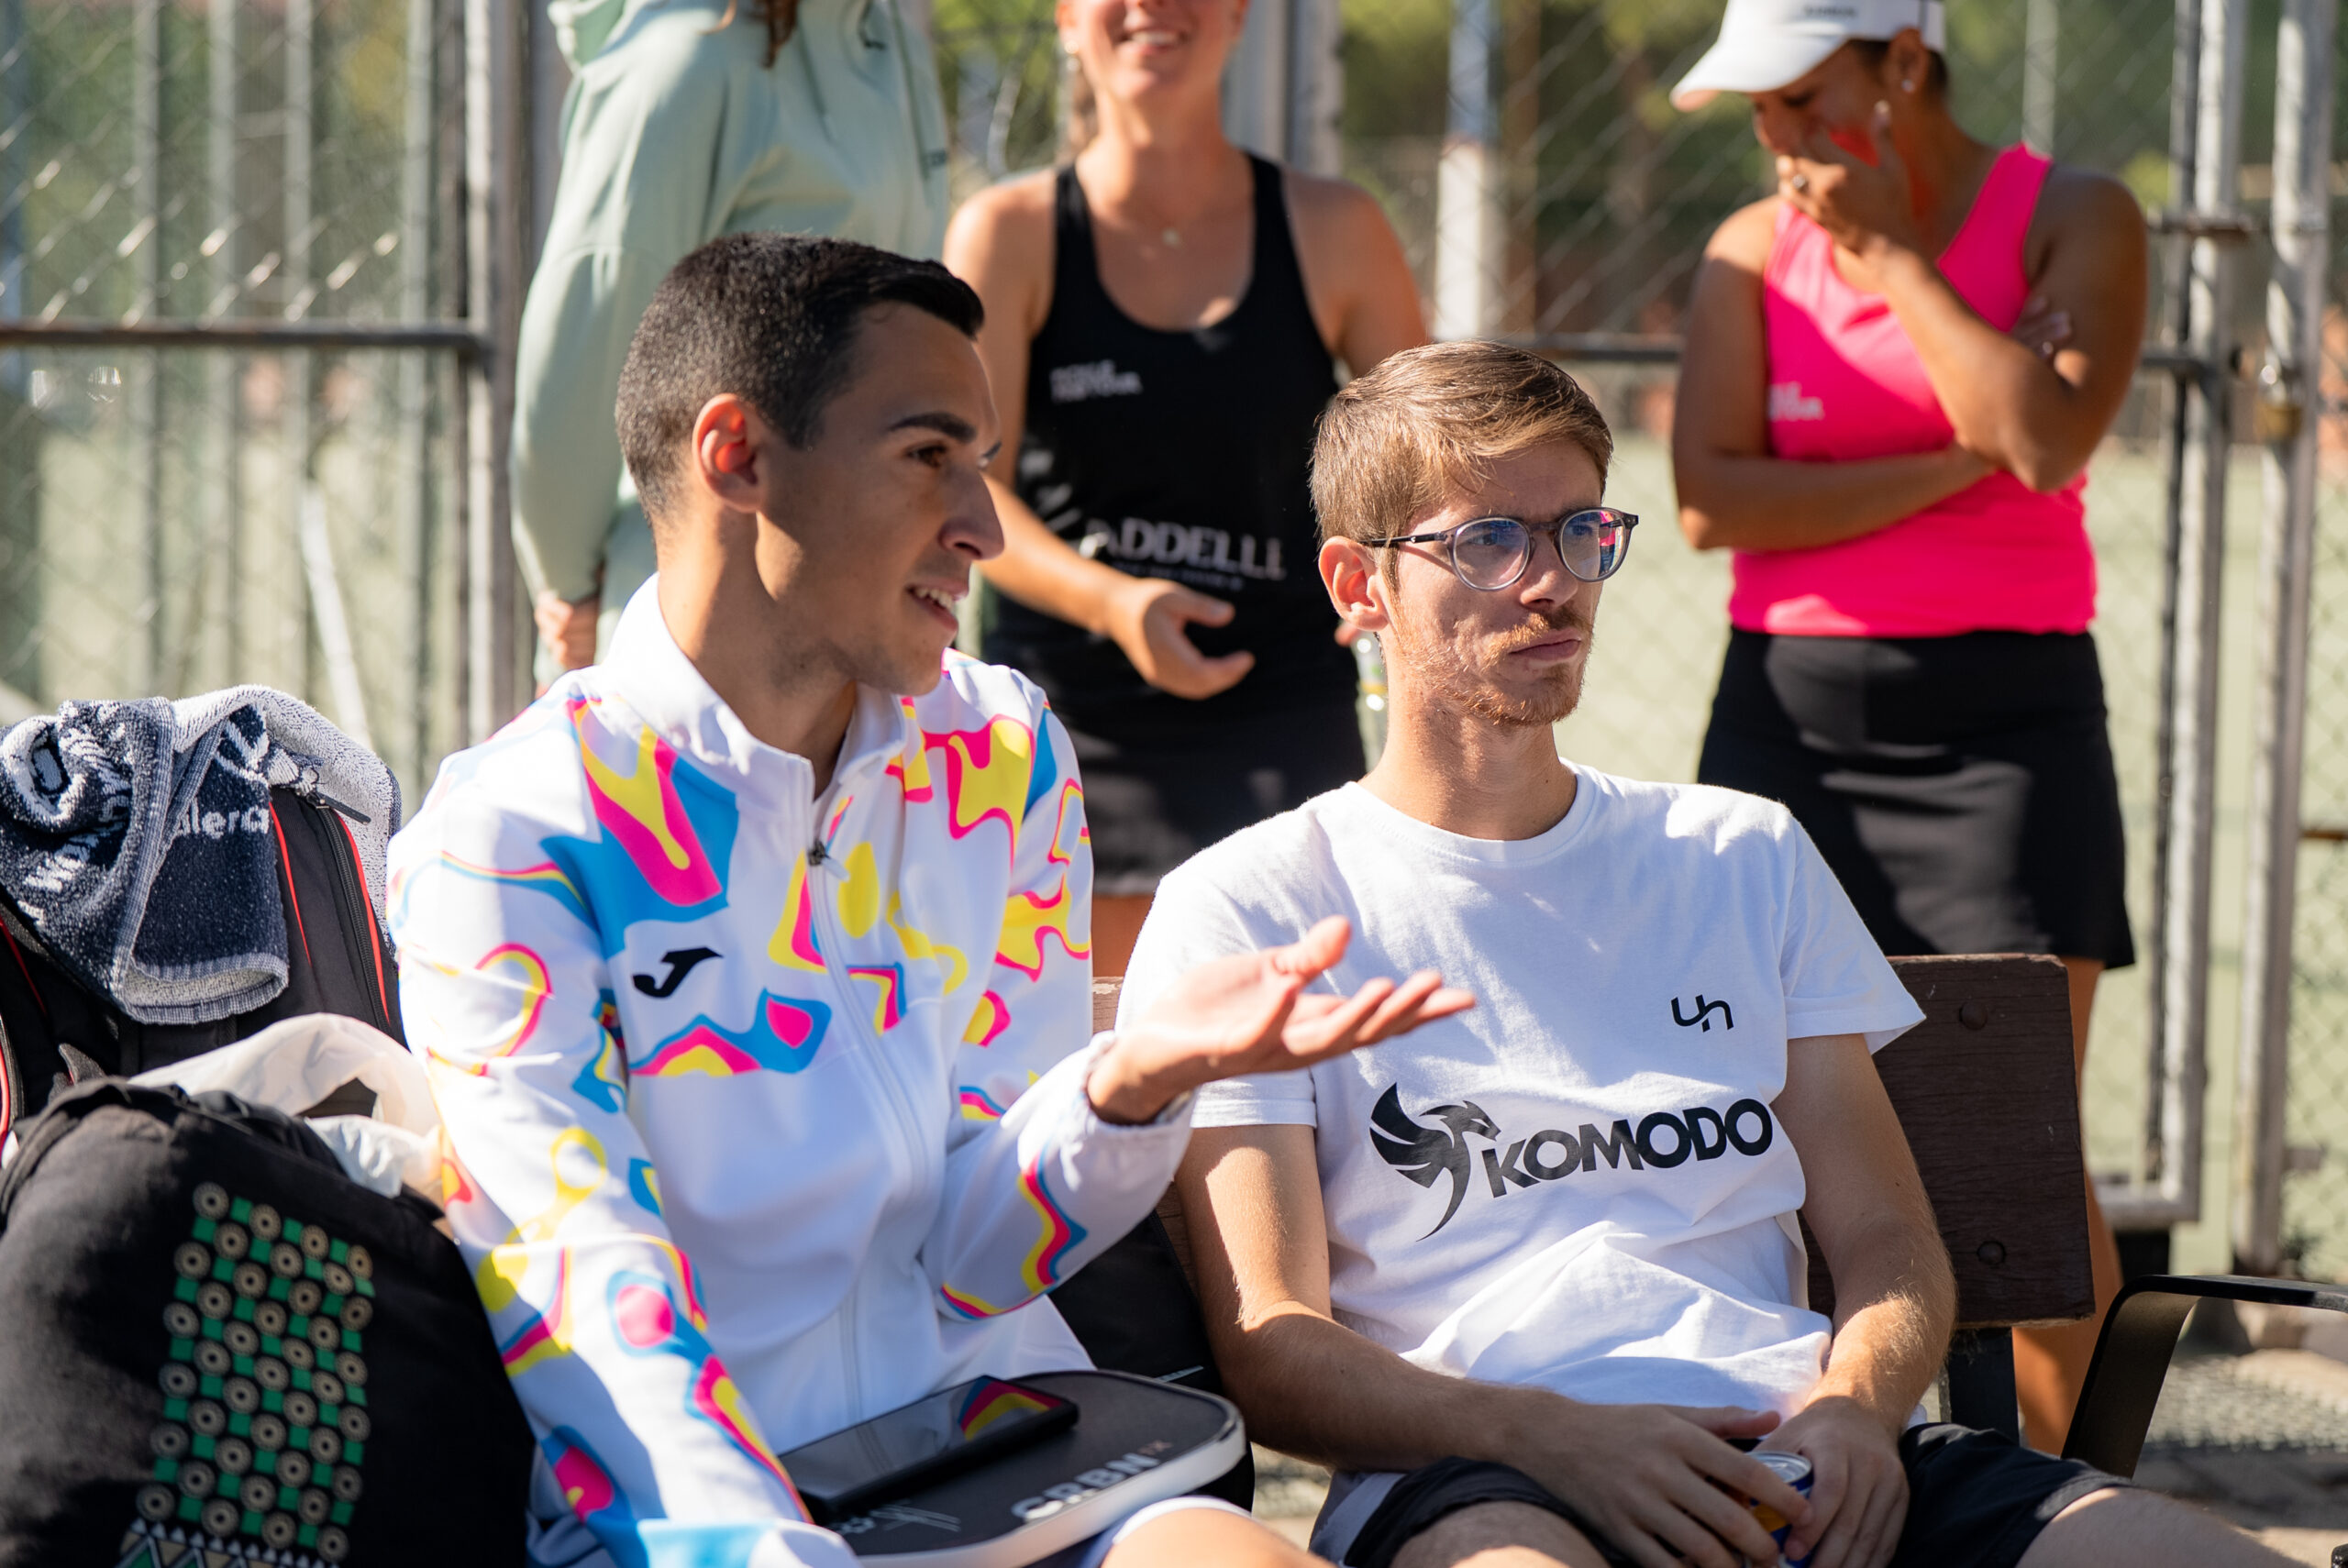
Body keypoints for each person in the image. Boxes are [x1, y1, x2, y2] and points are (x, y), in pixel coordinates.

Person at [392, 234, 1471, 1568]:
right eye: (928, 455)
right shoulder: (512, 836)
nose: (984, 525)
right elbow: (589, 1300)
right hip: (712, 1525)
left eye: (984, 461)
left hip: (1001, 1459)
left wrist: (1127, 1085)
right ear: (737, 455)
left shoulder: (1000, 753)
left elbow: (973, 1261)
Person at [1120, 341, 2293, 1568]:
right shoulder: (1250, 906)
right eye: (1489, 542)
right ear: (1359, 584)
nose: (1552, 582)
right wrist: (1549, 1437)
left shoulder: (1740, 853)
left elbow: (1888, 1243)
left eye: (1581, 530)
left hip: (1814, 1463)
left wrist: (1856, 1411)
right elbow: (1273, 1344)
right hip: (1490, 1477)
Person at [1666, 0, 2147, 1451]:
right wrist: (1962, 451)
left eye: (1805, 96)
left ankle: (2071, 1487)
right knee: (1777, 1125)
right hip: (1788, 728)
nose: (1779, 136)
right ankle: (1808, 1457)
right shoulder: (1748, 251)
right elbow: (1710, 499)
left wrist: (1891, 262)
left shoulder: (2077, 215)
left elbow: (2047, 439)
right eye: (1760, 106)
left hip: (2010, 731)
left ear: (1908, 64)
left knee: (2014, 1142)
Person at [943, 0, 1426, 973]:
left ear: (1238, 15)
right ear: (1066, 19)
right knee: (1101, 1024)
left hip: (1282, 698)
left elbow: (1426, 459)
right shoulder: (1009, 232)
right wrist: (1114, 603)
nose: (1152, 7)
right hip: (1079, 712)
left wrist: (1396, 571)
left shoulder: (1336, 228)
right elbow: (965, 483)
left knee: (1293, 1020)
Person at [515, 0, 953, 673]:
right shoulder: (680, 61)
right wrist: (570, 592)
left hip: (869, 605)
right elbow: (585, 346)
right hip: (697, 622)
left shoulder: (889, 38)